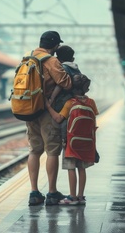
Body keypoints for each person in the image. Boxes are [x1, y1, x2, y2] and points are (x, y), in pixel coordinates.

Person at [26, 31, 72, 206]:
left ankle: (34, 192)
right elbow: (66, 82)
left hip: (30, 109)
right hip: (47, 111)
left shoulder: (28, 57)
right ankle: (52, 193)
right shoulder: (51, 60)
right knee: (52, 150)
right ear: (54, 45)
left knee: (34, 150)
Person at [45, 74, 98, 205]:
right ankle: (80, 197)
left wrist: (48, 107)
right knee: (82, 168)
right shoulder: (91, 103)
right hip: (87, 142)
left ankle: (72, 197)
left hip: (71, 142)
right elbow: (94, 122)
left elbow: (58, 119)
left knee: (71, 168)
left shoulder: (70, 103)